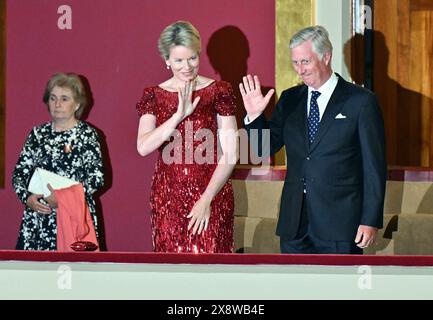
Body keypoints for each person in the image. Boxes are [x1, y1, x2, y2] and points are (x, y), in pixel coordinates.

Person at [239, 26, 386, 254]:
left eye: (305, 62)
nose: (300, 70)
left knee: (337, 290)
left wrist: (370, 220)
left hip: (341, 224)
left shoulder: (361, 102)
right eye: (295, 63)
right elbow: (263, 148)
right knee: (295, 289)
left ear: (326, 56)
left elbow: (374, 167)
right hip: (294, 224)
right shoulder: (289, 99)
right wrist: (255, 117)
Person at [136, 21, 238, 253]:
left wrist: (206, 199)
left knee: (213, 272)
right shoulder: (154, 95)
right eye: (179, 61)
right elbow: (143, 146)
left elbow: (231, 154)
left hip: (212, 195)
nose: (187, 67)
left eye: (192, 58)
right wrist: (177, 116)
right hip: (168, 199)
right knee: (172, 273)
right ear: (166, 60)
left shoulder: (218, 91)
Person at [12, 72, 104, 250]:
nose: (57, 104)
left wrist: (62, 199)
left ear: (77, 104)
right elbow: (19, 174)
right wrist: (27, 198)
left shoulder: (88, 135)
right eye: (52, 98)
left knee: (73, 275)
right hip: (38, 220)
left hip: (74, 218)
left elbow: (96, 179)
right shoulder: (37, 135)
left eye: (64, 98)